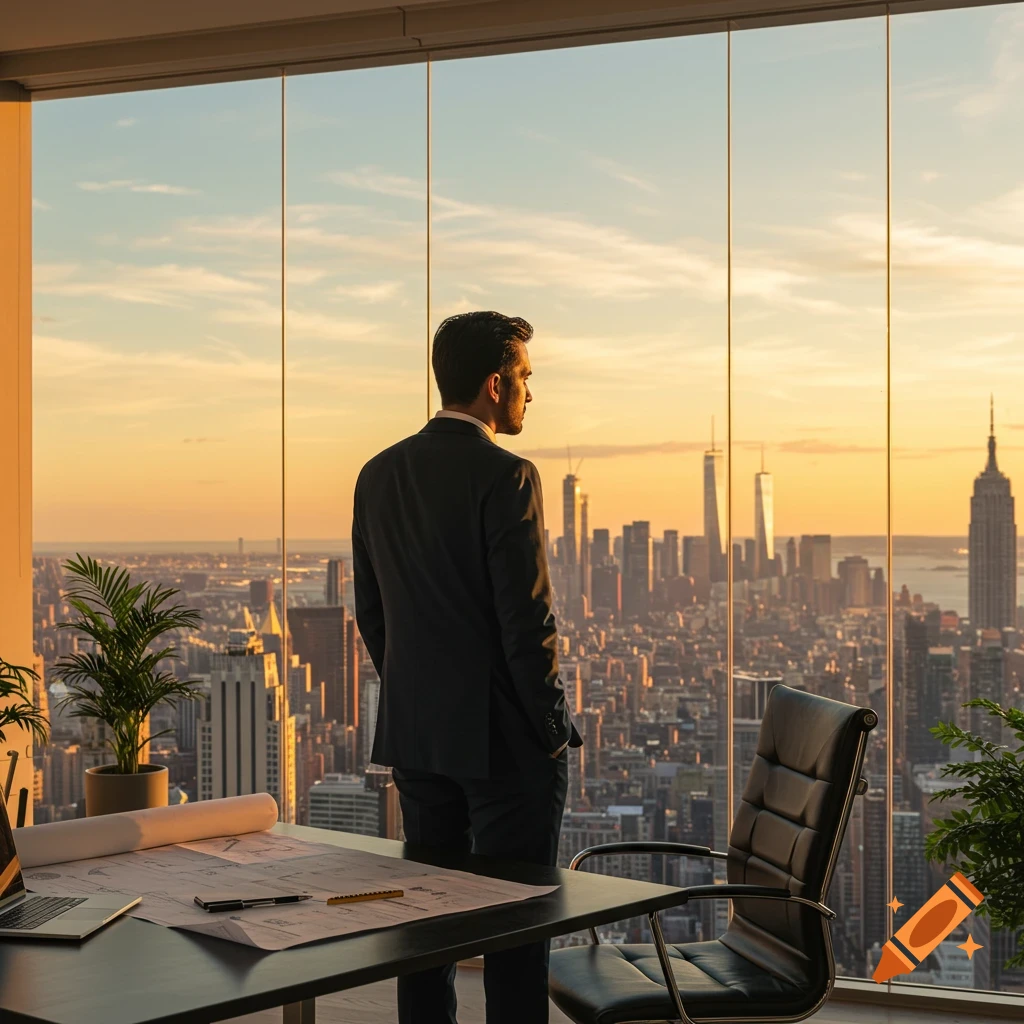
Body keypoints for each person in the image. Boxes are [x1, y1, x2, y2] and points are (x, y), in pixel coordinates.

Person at [352, 310, 581, 1024]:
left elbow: (372, 612)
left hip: (418, 738)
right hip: (505, 744)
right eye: (524, 378)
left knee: (426, 932)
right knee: (515, 936)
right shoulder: (507, 475)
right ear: (493, 383)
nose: (529, 395)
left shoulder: (377, 474)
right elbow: (527, 621)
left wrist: (415, 696)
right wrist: (551, 727)